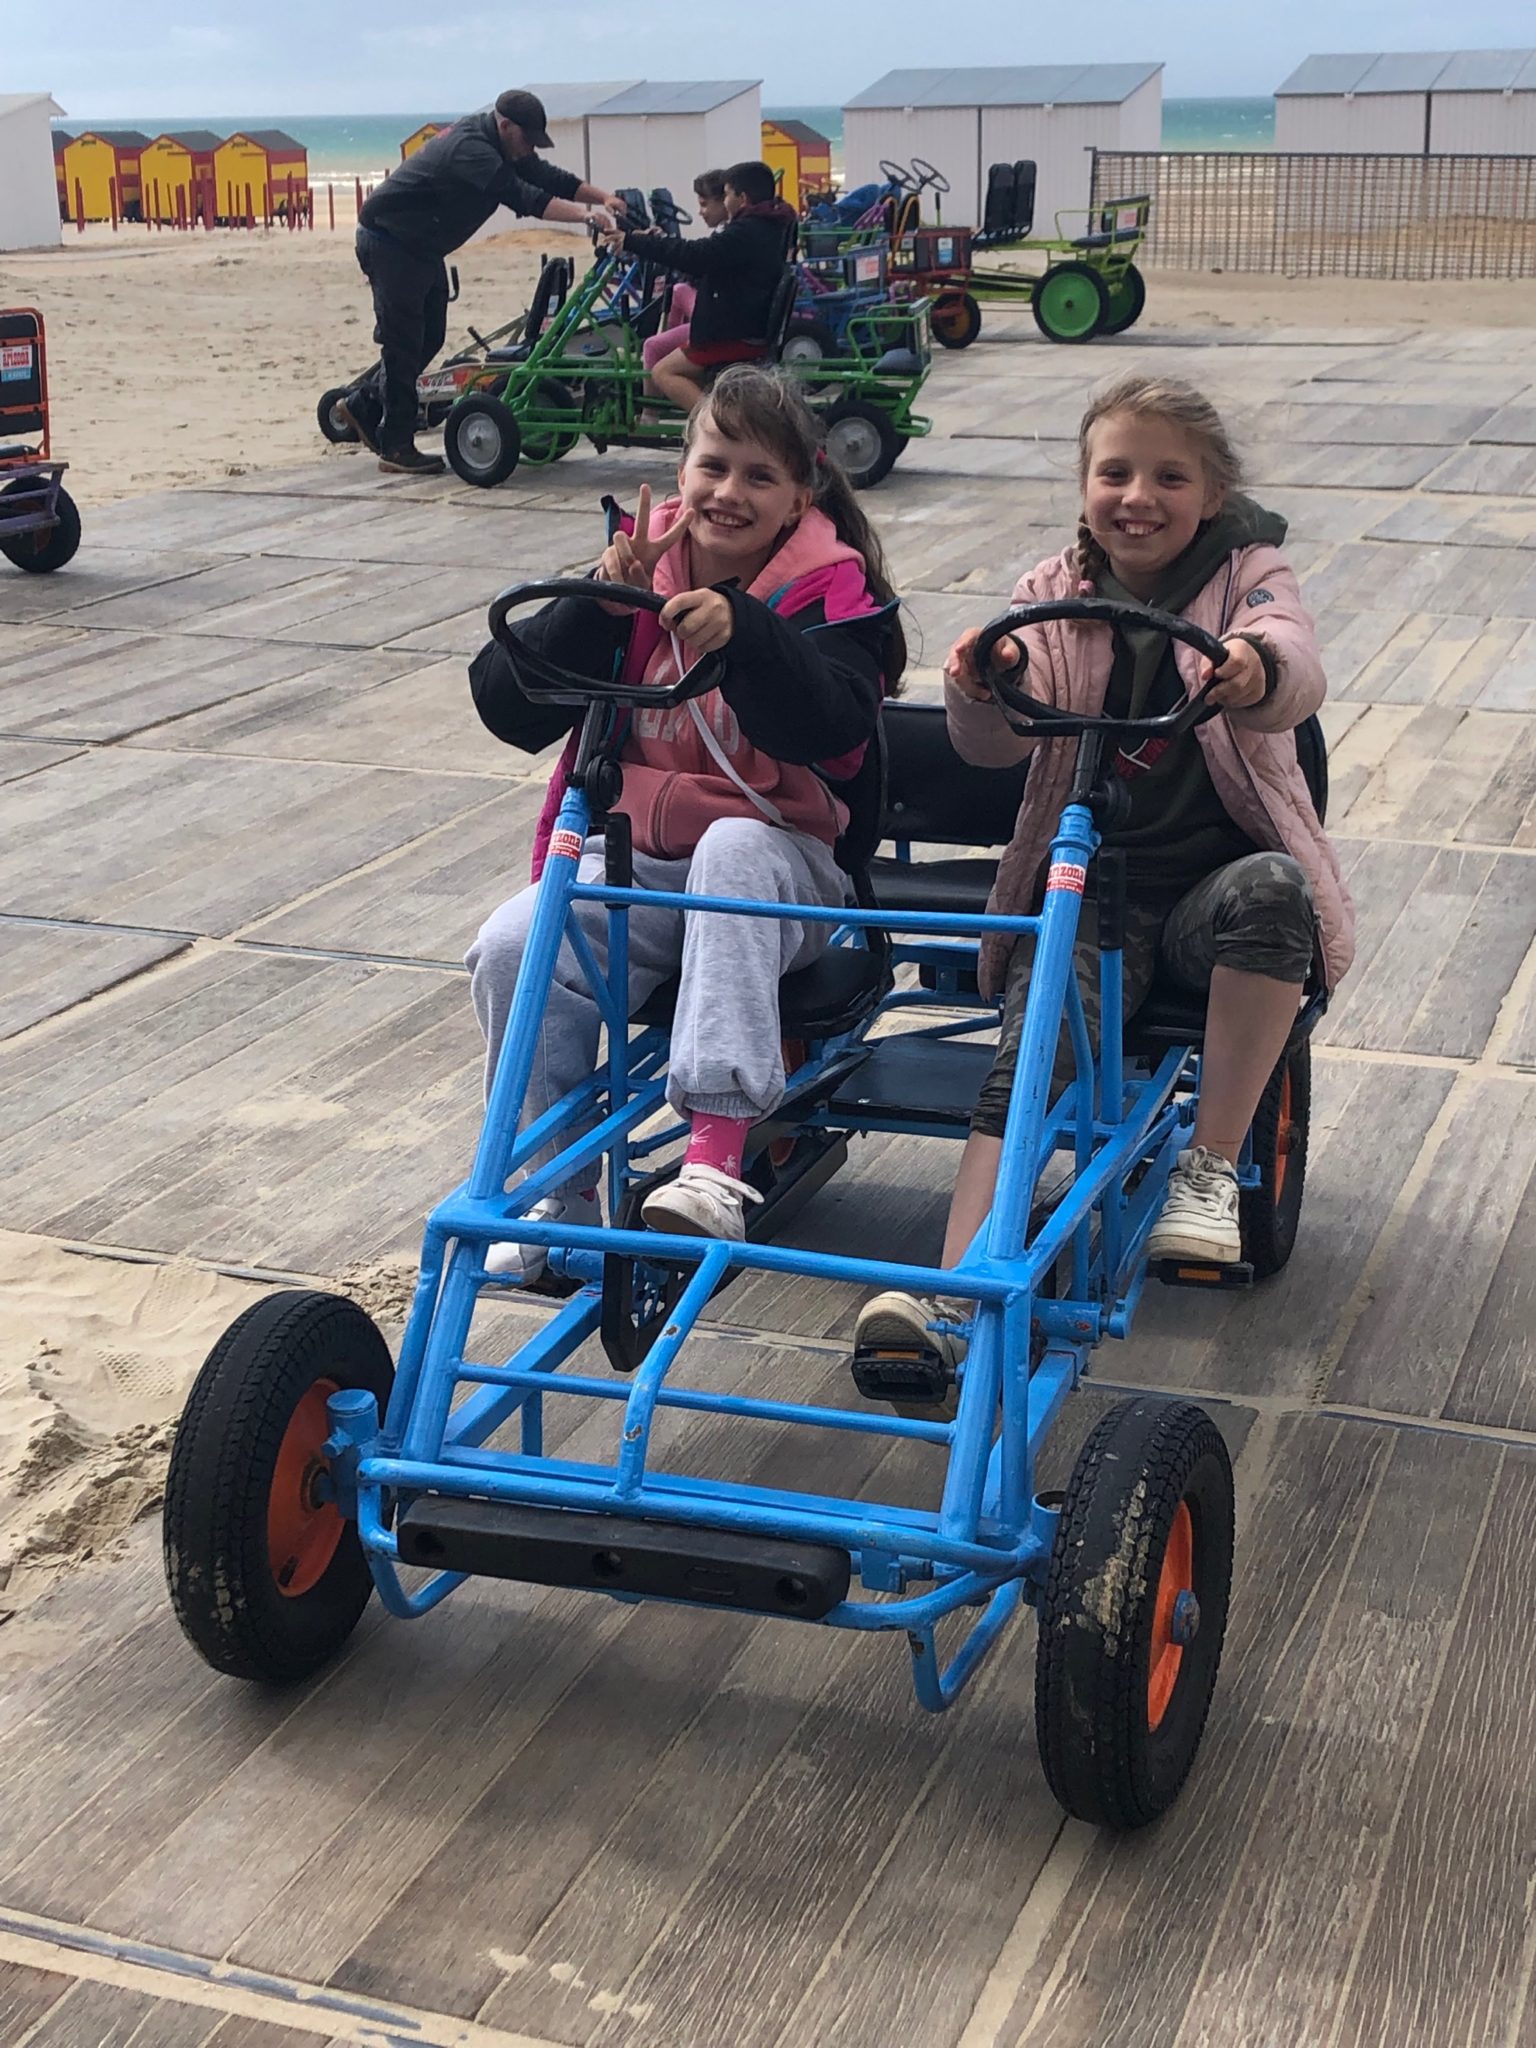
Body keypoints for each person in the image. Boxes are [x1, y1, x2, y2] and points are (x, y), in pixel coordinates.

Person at [854, 371, 1356, 1377]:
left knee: (1275, 887)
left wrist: (1255, 665)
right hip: (1086, 890)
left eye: (1169, 477)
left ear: (1212, 494)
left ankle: (1208, 1169)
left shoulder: (1248, 576)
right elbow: (997, 741)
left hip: (1209, 896)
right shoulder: (1052, 591)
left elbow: (1292, 658)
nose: (1139, 497)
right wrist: (985, 685)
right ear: (1085, 486)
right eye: (1116, 473)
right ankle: (954, 1294)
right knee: (1031, 1048)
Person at [465, 365, 905, 1279]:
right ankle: (560, 1191)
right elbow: (510, 708)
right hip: (641, 872)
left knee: (733, 847)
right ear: (681, 472)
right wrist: (595, 603)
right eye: (714, 466)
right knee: (511, 943)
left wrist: (748, 634)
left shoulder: (836, 593)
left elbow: (835, 726)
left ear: (800, 498)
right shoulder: (636, 570)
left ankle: (714, 1157)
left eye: (759, 476)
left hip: (786, 879)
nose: (729, 492)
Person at [343, 90, 628, 476]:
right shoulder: (471, 150)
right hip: (390, 242)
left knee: (429, 338)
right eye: (527, 139)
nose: (530, 148)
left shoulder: (504, 144)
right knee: (403, 342)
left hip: (421, 247)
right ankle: (395, 446)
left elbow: (545, 176)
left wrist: (601, 197)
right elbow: (523, 197)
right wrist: (585, 217)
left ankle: (362, 404)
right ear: (505, 125)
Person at [602, 160, 795, 412]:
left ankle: (715, 423)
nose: (725, 201)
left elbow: (697, 255)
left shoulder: (747, 231)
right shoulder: (768, 227)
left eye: (727, 195)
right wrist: (651, 243)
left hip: (732, 336)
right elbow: (703, 259)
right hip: (741, 326)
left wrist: (634, 242)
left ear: (742, 199)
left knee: (663, 372)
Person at [641, 169, 729, 377]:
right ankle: (672, 344)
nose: (700, 212)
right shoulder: (730, 232)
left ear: (725, 201)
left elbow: (695, 259)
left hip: (718, 321)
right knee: (679, 289)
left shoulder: (730, 238)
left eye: (704, 204)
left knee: (651, 346)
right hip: (719, 310)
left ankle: (651, 400)